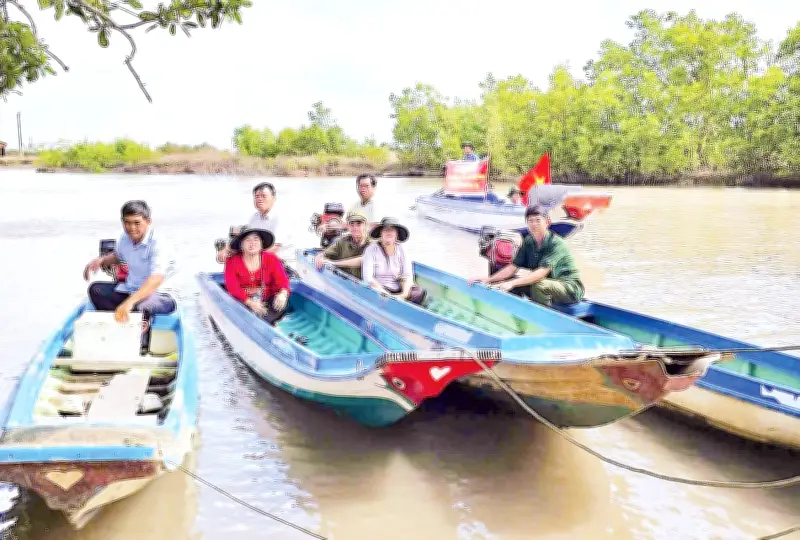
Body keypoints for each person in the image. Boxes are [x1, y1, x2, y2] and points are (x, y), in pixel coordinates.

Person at [82, 200, 177, 351]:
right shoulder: (125, 239)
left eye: (137, 223)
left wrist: (129, 303)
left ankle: (140, 345)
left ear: (148, 221)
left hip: (160, 295)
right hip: (130, 289)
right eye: (127, 223)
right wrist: (101, 261)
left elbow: (156, 279)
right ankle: (116, 327)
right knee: (96, 289)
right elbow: (118, 256)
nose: (132, 228)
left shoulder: (159, 244)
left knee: (140, 306)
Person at [468, 204, 584, 306]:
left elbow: (540, 274)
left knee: (538, 285)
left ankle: (541, 318)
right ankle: (518, 314)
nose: (534, 224)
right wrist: (489, 279)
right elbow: (512, 267)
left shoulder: (556, 243)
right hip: (547, 283)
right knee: (512, 285)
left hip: (570, 288)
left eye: (538, 220)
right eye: (530, 221)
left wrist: (511, 283)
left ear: (547, 222)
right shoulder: (529, 241)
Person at [223, 227, 291, 326]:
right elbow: (232, 287)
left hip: (269, 299)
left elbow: (283, 281)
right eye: (248, 240)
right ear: (241, 244)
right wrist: (250, 302)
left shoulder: (272, 258)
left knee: (271, 313)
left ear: (261, 243)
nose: (252, 243)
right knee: (248, 319)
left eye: (256, 239)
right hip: (243, 300)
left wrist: (283, 294)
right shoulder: (232, 261)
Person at [361, 217, 427, 305]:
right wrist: (384, 294)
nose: (389, 232)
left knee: (419, 292)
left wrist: (403, 294)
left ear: (397, 234)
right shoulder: (371, 249)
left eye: (392, 230)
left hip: (398, 291)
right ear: (381, 233)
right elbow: (368, 278)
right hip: (379, 291)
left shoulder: (402, 249)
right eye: (386, 230)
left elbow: (407, 276)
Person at [217, 182, 285, 263]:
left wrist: (246, 256)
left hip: (282, 265)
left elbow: (274, 248)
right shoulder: (254, 218)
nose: (260, 199)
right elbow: (249, 242)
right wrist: (227, 250)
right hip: (260, 262)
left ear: (274, 198)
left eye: (264, 196)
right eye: (257, 196)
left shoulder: (280, 218)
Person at [314, 209, 371, 279]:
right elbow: (325, 253)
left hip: (363, 287)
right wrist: (320, 255)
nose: (355, 228)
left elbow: (364, 260)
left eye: (359, 224)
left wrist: (333, 263)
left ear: (365, 225)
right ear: (349, 226)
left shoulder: (373, 245)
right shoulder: (342, 241)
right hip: (342, 284)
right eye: (352, 224)